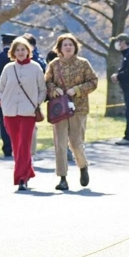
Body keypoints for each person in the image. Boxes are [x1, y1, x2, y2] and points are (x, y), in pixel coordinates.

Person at [45, 33, 99, 190]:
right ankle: (62, 178)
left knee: (76, 143)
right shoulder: (54, 65)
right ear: (59, 48)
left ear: (75, 47)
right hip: (59, 110)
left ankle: (83, 166)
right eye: (65, 45)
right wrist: (54, 90)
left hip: (78, 108)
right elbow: (47, 82)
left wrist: (77, 90)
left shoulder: (83, 63)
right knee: (60, 144)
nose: (68, 47)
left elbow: (93, 82)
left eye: (70, 44)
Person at [0, 36, 46, 191]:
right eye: (17, 50)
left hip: (28, 112)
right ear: (13, 52)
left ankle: (21, 178)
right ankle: (27, 171)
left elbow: (42, 89)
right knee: (16, 145)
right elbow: (0, 88)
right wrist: (2, 101)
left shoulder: (36, 67)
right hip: (9, 112)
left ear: (28, 51)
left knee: (24, 144)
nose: (20, 52)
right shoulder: (8, 68)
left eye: (23, 49)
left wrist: (36, 103)